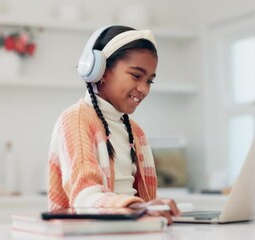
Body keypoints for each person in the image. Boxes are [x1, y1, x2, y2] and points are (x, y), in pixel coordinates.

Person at [48, 25, 180, 224]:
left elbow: (147, 200)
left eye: (150, 81)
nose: (144, 89)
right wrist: (140, 208)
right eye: (136, 75)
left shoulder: (135, 132)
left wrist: (156, 212)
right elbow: (85, 197)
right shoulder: (76, 120)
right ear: (101, 70)